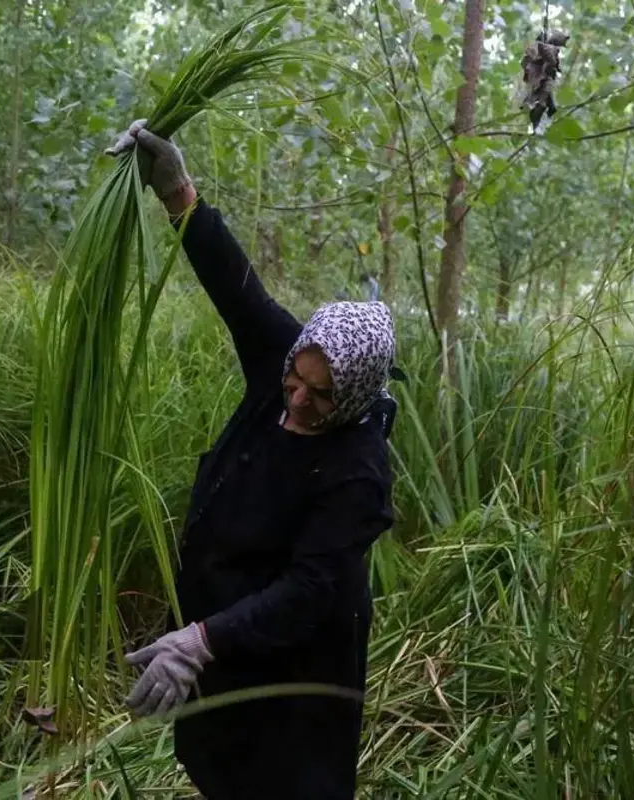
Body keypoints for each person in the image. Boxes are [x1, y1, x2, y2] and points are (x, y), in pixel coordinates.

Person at [107, 120, 399, 799]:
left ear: (354, 395)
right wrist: (178, 193)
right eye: (294, 380)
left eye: (320, 397)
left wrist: (201, 639)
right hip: (225, 625)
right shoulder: (288, 358)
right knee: (216, 759)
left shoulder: (357, 472)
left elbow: (308, 592)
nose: (295, 400)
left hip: (296, 660)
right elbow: (240, 292)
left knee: (281, 781)